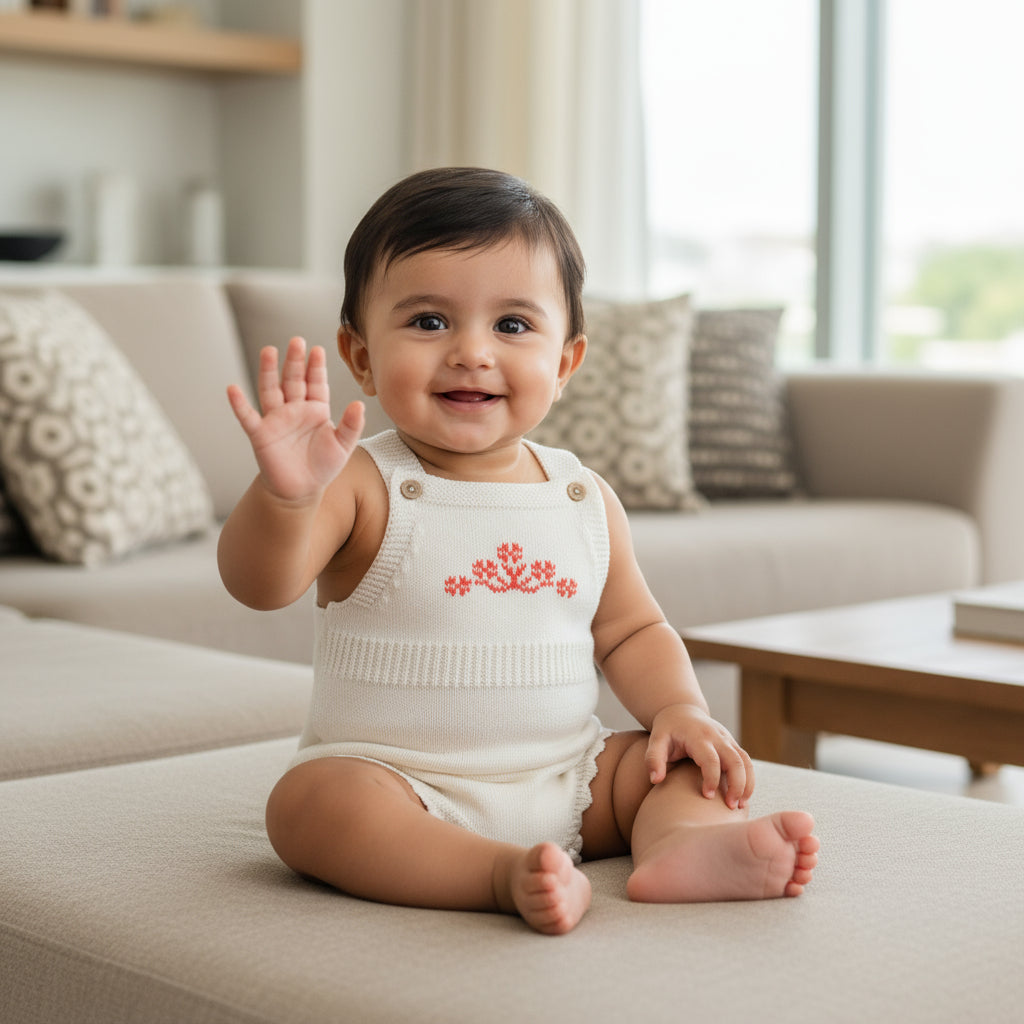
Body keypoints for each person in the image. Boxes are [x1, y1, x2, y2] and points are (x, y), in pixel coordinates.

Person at [218, 167, 818, 935]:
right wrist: (286, 499)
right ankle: (497, 876)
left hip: (572, 779)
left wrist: (679, 709)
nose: (471, 351)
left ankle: (682, 845)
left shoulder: (581, 495)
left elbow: (632, 631)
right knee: (309, 807)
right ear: (360, 355)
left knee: (681, 765)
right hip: (400, 785)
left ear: (565, 363)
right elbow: (259, 585)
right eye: (430, 322)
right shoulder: (364, 482)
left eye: (511, 325)